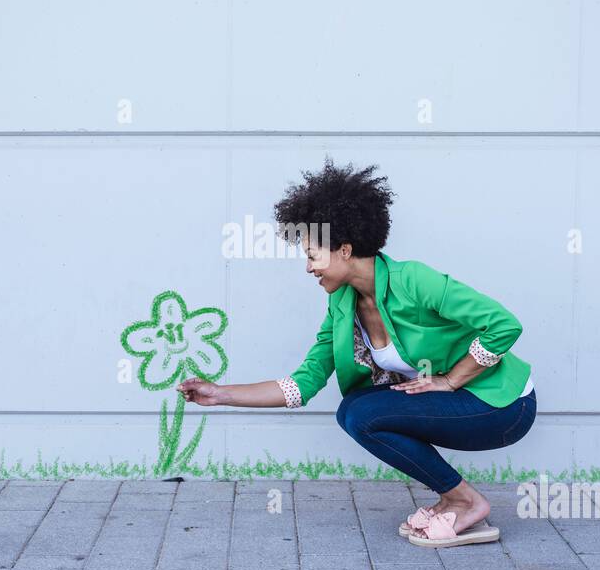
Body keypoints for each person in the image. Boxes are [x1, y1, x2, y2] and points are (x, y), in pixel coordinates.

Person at [178, 158, 535, 547]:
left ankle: (466, 502)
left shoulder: (413, 280)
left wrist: (451, 380)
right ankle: (454, 497)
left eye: (313, 255)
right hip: (459, 407)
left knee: (362, 412)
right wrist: (221, 394)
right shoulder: (342, 306)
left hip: (502, 407)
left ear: (344, 249)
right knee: (356, 410)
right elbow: (304, 382)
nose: (308, 268)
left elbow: (504, 325)